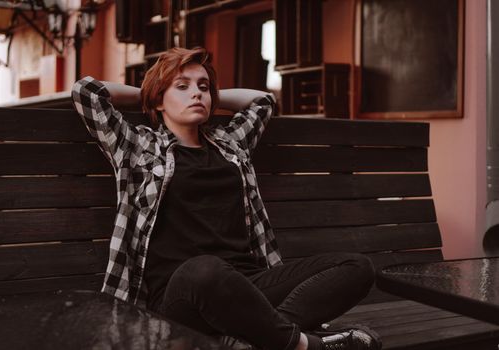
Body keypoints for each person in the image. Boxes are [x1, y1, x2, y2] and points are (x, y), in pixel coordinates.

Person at [71, 47, 381, 350]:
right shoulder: (137, 147)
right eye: (182, 87)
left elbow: (262, 102)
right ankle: (301, 344)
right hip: (180, 296)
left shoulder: (231, 145)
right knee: (205, 269)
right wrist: (150, 91)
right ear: (158, 100)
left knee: (357, 266)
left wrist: (196, 93)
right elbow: (87, 92)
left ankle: (263, 338)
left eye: (203, 87)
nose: (197, 94)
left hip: (247, 287)